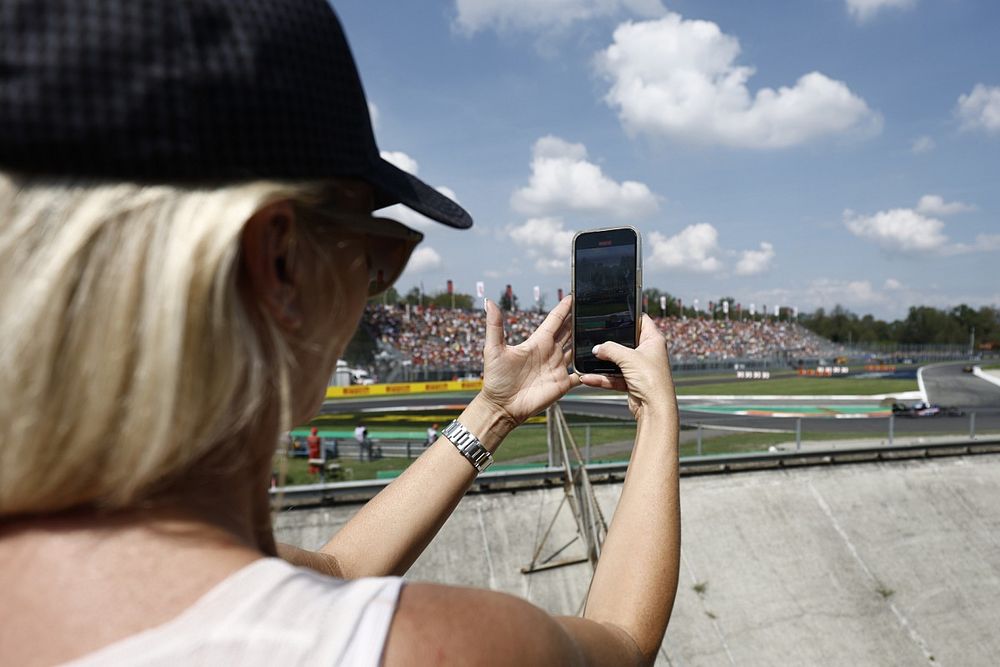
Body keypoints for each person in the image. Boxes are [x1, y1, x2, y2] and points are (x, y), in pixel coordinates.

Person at [0, 2, 680, 666]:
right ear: (282, 265)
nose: (368, 285)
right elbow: (620, 640)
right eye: (377, 253)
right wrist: (655, 413)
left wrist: (495, 410)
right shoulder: (432, 646)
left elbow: (338, 569)